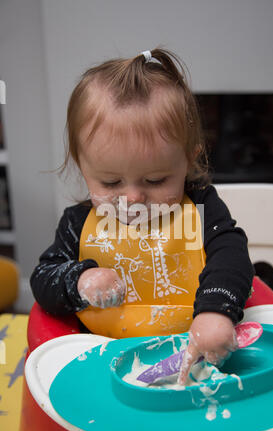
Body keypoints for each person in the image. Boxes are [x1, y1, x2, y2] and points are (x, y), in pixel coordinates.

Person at [30, 48, 254, 385]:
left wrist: (215, 312)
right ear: (83, 167)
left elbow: (231, 257)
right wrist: (80, 280)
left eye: (155, 180)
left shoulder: (200, 209)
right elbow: (44, 277)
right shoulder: (80, 225)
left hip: (194, 357)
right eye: (110, 182)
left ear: (187, 161)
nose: (133, 197)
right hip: (102, 367)